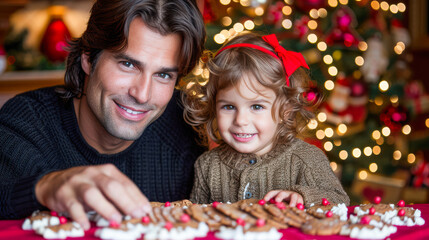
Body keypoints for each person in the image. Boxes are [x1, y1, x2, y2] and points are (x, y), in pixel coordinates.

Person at [0, 0, 206, 230]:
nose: (142, 95)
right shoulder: (25, 121)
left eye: (164, 75)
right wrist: (46, 187)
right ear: (88, 58)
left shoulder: (187, 125)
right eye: (128, 64)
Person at [183, 32, 350, 207]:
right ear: (214, 107)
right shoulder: (207, 166)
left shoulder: (306, 159)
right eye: (229, 107)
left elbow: (340, 200)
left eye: (256, 107)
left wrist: (303, 196)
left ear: (285, 110)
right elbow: (197, 218)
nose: (240, 120)